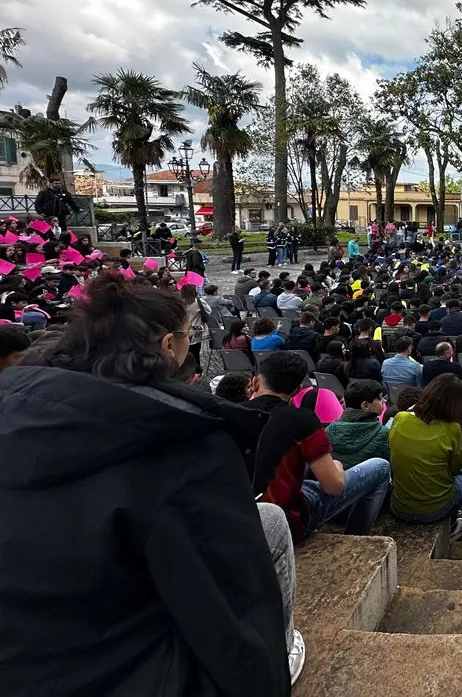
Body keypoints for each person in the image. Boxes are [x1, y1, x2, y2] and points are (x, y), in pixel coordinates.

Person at [0, 277, 293, 695]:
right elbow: (229, 596)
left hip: (27, 653)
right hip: (128, 669)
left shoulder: (13, 402)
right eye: (188, 338)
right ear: (166, 343)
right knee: (273, 527)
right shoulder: (181, 440)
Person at [248, 351, 391, 540]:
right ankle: (357, 538)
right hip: (288, 521)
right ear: (298, 389)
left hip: (244, 515)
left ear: (255, 383)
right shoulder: (303, 421)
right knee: (380, 467)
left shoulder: (230, 413)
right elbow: (334, 486)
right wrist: (338, 468)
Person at [388, 374, 462, 541]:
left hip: (399, 506)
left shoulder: (400, 417)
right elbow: (455, 468)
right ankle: (454, 522)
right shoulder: (452, 428)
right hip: (437, 510)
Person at [326, 380, 391, 468]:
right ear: (365, 406)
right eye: (380, 398)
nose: (384, 401)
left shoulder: (329, 430)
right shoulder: (384, 434)